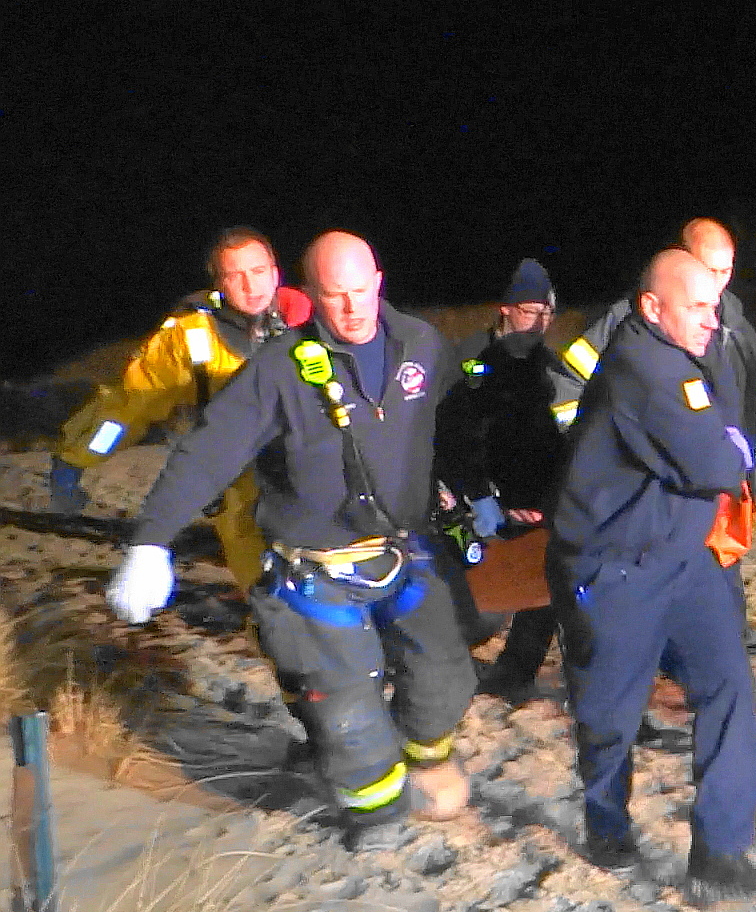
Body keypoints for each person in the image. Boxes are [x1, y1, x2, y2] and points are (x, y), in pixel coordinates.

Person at [104, 231, 478, 843]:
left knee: (444, 676)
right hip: (315, 571)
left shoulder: (422, 344)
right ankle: (374, 814)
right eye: (336, 295)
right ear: (309, 295)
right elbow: (208, 452)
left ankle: (423, 756)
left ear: (379, 281)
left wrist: (484, 494)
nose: (353, 308)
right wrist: (151, 542)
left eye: (361, 290)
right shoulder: (278, 371)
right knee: (348, 710)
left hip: (405, 552)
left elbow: (460, 428)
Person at [547, 248, 756, 906]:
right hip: (618, 568)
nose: (712, 320)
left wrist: (737, 446)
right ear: (653, 308)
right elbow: (714, 458)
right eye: (696, 307)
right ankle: (606, 826)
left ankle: (721, 851)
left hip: (689, 562)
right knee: (609, 716)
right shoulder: (644, 364)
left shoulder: (689, 348)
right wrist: (731, 446)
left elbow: (739, 428)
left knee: (729, 687)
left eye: (715, 305)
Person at [50, 226, 311, 593]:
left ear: (275, 271)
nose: (251, 286)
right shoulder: (189, 338)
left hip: (314, 478)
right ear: (217, 281)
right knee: (271, 597)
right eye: (235, 276)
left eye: (258, 271)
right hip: (238, 486)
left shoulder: (315, 323)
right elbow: (128, 406)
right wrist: (74, 459)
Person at [555, 218, 756, 511]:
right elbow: (567, 384)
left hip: (719, 494)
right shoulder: (626, 323)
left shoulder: (736, 327)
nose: (718, 283)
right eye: (709, 270)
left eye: (726, 271)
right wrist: (598, 461)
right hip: (649, 502)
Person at [434, 257, 568, 693]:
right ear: (505, 310)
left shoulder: (550, 365)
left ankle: (514, 675)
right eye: (530, 311)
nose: (539, 322)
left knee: (545, 587)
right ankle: (439, 661)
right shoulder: (468, 361)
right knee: (475, 602)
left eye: (547, 314)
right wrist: (480, 497)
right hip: (477, 502)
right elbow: (451, 440)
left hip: (538, 503)